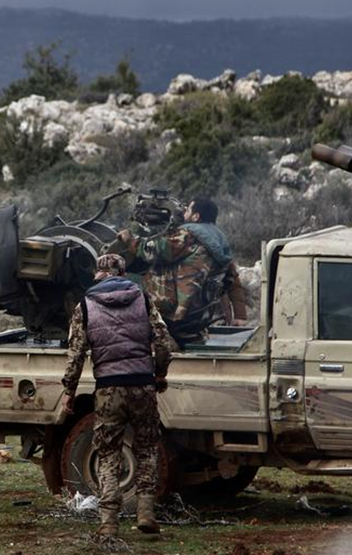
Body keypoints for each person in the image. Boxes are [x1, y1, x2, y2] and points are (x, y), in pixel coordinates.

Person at [61, 253, 173, 537]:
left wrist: (68, 392)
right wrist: (159, 375)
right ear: (122, 273)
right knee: (147, 448)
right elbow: (163, 341)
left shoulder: (85, 306)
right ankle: (146, 512)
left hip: (108, 389)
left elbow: (75, 355)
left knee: (108, 452)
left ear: (99, 274)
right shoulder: (143, 299)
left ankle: (109, 522)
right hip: (142, 385)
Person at [115, 197, 233, 340]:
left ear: (196, 216)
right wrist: (240, 314)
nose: (184, 214)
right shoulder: (219, 239)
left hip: (171, 303)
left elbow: (155, 251)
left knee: (119, 281)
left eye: (188, 210)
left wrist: (130, 240)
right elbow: (232, 278)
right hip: (197, 309)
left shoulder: (189, 235)